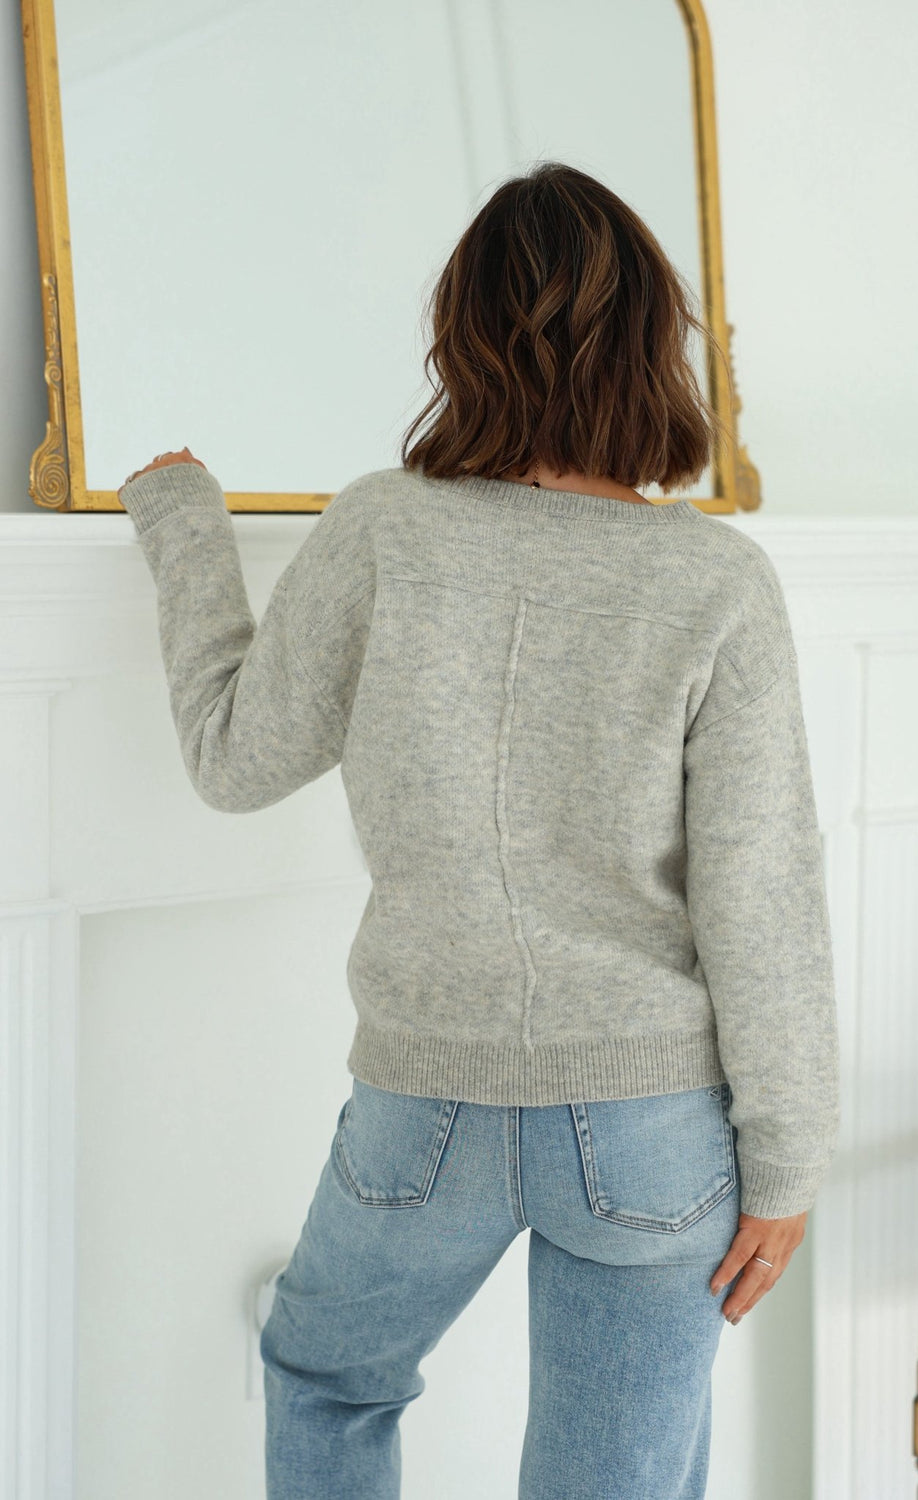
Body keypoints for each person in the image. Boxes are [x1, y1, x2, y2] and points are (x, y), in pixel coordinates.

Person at [118, 161, 839, 1500]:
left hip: (425, 1107)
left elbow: (232, 759)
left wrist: (181, 525)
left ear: (460, 337)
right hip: (652, 1127)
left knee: (326, 1382)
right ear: (653, 350)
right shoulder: (717, 580)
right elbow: (763, 898)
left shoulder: (384, 529)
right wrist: (789, 1166)